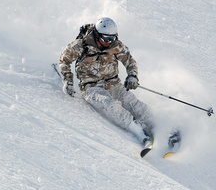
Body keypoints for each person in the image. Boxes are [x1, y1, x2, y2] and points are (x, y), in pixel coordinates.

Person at [59, 17, 153, 148]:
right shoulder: (80, 45)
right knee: (110, 105)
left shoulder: (116, 45)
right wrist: (67, 79)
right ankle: (138, 130)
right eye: (106, 39)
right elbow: (64, 61)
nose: (109, 42)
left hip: (113, 84)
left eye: (112, 38)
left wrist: (132, 76)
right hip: (91, 88)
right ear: (97, 35)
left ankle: (158, 127)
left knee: (134, 103)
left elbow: (129, 61)